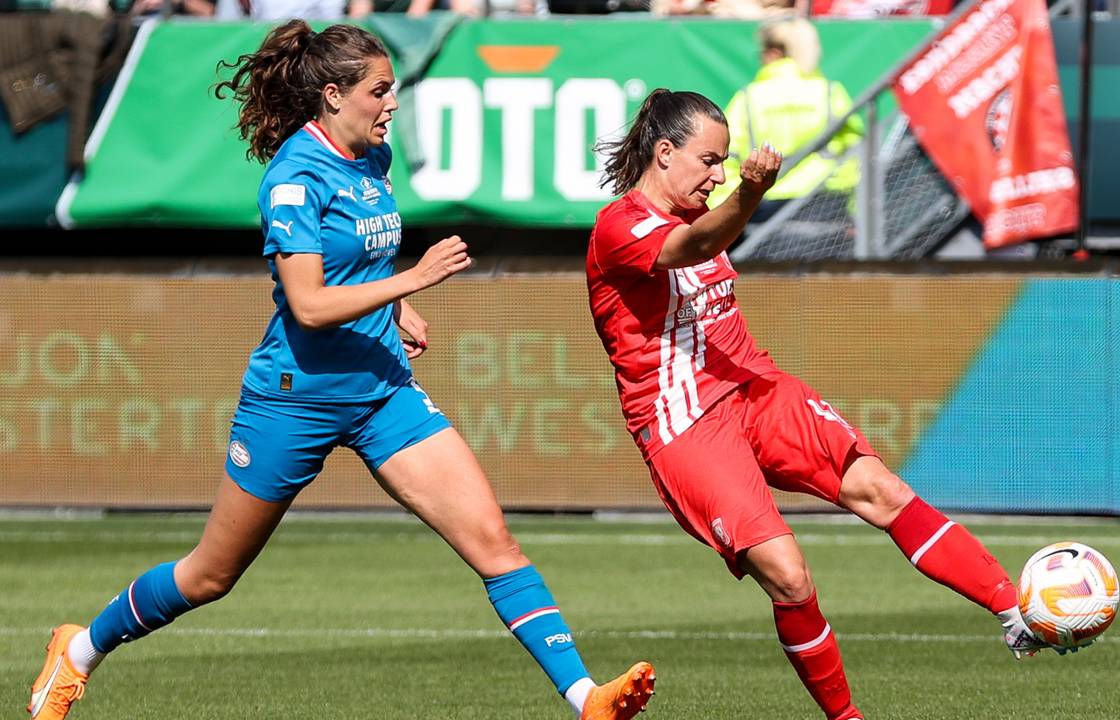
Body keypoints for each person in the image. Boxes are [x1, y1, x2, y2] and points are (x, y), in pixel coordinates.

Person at [26, 21, 655, 720]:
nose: (393, 103)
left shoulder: (373, 158)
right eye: (381, 90)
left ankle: (584, 699)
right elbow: (310, 304)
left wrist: (394, 312)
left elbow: (358, 262)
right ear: (333, 94)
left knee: (493, 540)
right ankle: (78, 650)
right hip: (294, 399)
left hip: (381, 388)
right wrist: (410, 282)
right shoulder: (293, 179)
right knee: (209, 576)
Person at [587, 89, 1048, 720]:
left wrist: (737, 197)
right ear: (664, 154)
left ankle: (1014, 609)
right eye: (709, 161)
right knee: (789, 575)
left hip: (755, 384)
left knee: (881, 490)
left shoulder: (704, 211)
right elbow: (690, 247)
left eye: (726, 163)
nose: (719, 175)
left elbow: (704, 241)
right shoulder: (620, 227)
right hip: (684, 421)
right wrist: (748, 194)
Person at [708, 18, 861, 232]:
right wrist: (855, 211)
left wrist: (725, 218)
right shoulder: (829, 92)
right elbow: (858, 157)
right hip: (826, 203)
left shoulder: (747, 98)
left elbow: (727, 159)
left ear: (774, 52)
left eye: (761, 53)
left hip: (764, 207)